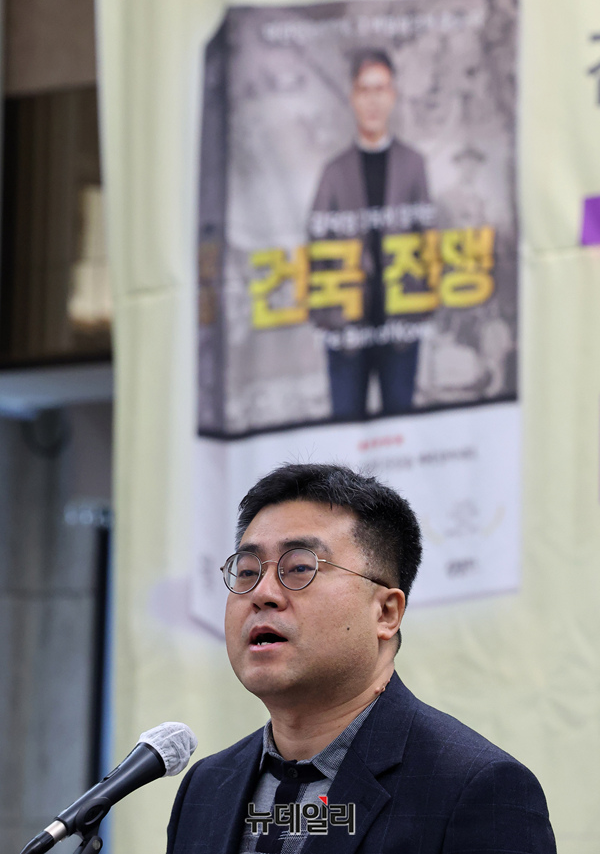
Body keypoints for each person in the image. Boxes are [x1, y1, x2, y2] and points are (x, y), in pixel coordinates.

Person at [167, 463, 556, 854]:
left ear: (385, 612)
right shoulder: (206, 787)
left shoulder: (475, 787)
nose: (262, 593)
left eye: (299, 568)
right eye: (248, 571)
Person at [309, 51, 434, 420]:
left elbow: (427, 237)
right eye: (365, 90)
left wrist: (425, 306)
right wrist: (325, 318)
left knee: (401, 426)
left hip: (400, 325)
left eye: (381, 89)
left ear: (393, 95)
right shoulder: (334, 171)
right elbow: (316, 244)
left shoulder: (413, 163)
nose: (373, 100)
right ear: (353, 97)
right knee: (345, 430)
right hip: (347, 326)